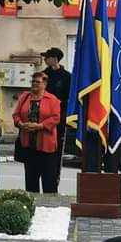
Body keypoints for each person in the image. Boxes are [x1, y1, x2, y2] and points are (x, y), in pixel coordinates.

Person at [12, 69, 61, 193]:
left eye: (37, 82)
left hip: (46, 147)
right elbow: (16, 115)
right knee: (31, 181)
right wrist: (21, 124)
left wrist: (41, 126)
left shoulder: (53, 100)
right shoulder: (24, 97)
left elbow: (56, 118)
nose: (34, 84)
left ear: (44, 84)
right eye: (33, 81)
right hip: (28, 146)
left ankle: (50, 207)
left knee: (49, 181)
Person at [41, 47, 72, 179]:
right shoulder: (43, 76)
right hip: (43, 117)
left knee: (57, 147)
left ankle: (55, 175)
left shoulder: (66, 77)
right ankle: (43, 172)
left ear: (54, 59)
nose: (45, 60)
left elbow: (70, 97)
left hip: (59, 117)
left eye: (47, 57)